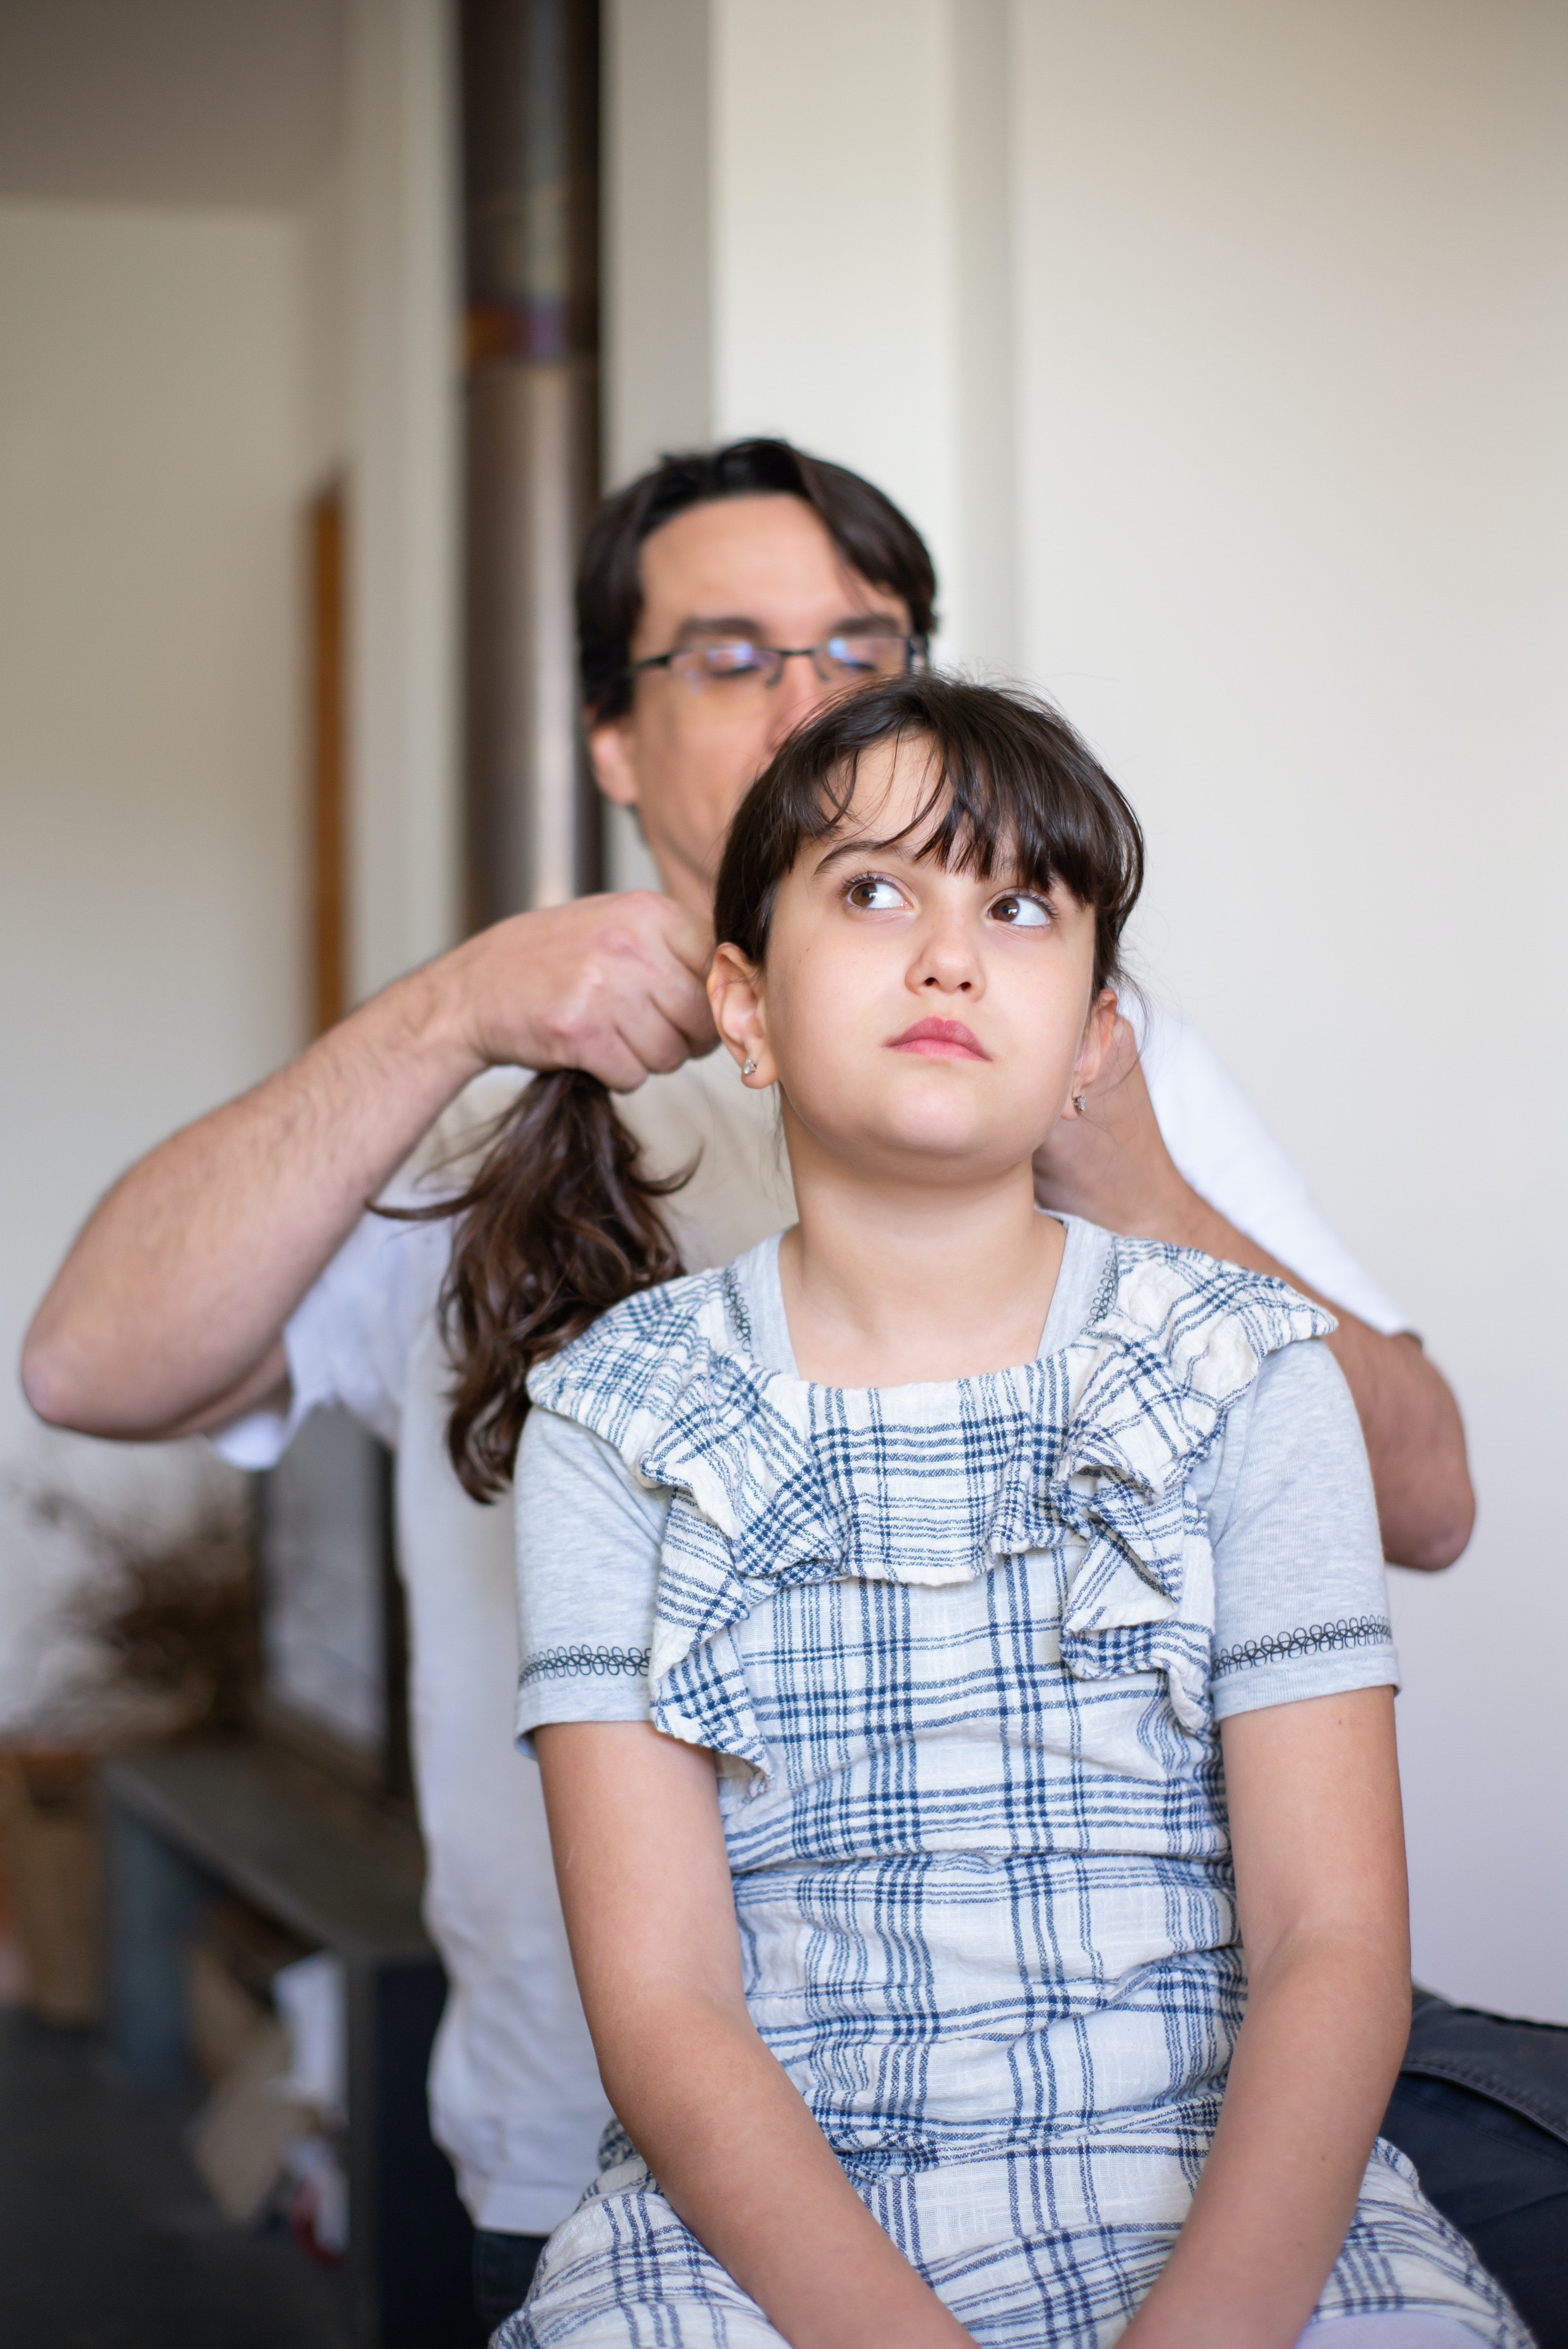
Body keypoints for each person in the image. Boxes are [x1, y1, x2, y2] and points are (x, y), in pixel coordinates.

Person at [20, 439, 1554, 2336]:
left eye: (860, 641)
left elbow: (1426, 1499)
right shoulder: (522, 1173)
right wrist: (451, 1008)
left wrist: (1124, 1165)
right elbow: (89, 1360)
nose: (809, 694)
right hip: (632, 2149)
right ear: (611, 739)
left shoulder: (1105, 1090)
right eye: (733, 654)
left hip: (1166, 2155)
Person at [488, 674, 1528, 2347]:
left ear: (1097, 1039)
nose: (951, 953)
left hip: (1228, 2194)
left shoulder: (1254, 1374)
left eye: (1021, 905)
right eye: (875, 889)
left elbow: (1333, 1938)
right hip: (770, 2231)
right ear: (742, 1006)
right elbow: (666, 2004)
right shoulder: (619, 1418)